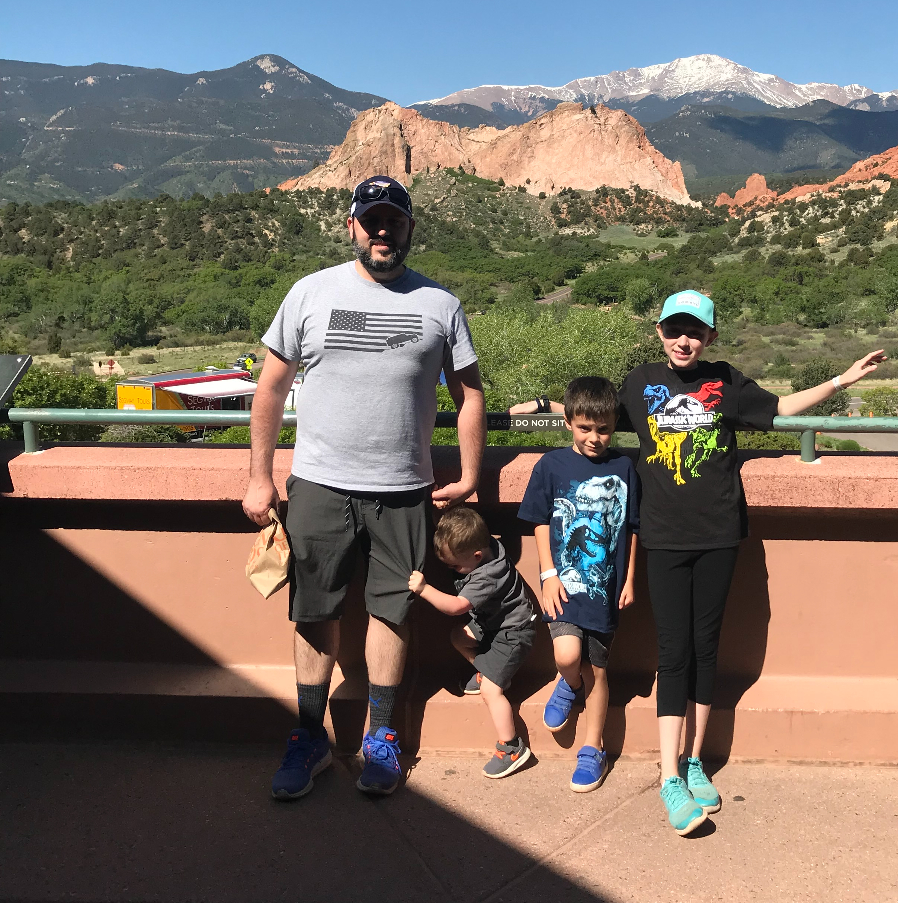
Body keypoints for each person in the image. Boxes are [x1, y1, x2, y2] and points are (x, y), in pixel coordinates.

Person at [517, 292, 884, 835]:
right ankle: (669, 777)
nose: (683, 340)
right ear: (660, 333)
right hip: (662, 537)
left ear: (710, 337)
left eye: (694, 331)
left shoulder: (727, 382)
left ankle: (694, 762)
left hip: (717, 533)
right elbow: (595, 414)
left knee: (705, 647)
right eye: (673, 330)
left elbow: (780, 409)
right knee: (674, 650)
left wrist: (841, 380)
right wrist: (540, 409)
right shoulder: (641, 382)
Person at [242, 175, 486, 802]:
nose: (382, 232)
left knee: (392, 612)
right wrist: (259, 476)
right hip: (319, 486)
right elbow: (269, 388)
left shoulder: (441, 305)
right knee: (313, 611)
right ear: (352, 225)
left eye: (394, 222)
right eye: (371, 220)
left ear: (409, 229)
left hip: (404, 490)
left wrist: (470, 474)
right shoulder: (310, 293)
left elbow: (468, 395)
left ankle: (383, 737)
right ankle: (308, 737)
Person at [516, 376, 640, 793]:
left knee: (600, 671)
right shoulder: (550, 466)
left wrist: (630, 579)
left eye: (603, 429)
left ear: (614, 426)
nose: (594, 437)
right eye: (585, 427)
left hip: (605, 588)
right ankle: (568, 684)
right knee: (568, 655)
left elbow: (633, 527)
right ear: (568, 421)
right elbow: (537, 521)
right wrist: (548, 574)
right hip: (563, 584)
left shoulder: (624, 467)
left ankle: (593, 748)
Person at [407, 506, 538, 778]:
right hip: (491, 624)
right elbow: (459, 531)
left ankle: (512, 747)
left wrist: (424, 589)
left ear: (477, 556)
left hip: (513, 632)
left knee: (492, 691)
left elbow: (456, 606)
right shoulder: (483, 543)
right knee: (458, 637)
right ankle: (491, 672)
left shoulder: (486, 574)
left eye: (455, 566)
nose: (452, 570)